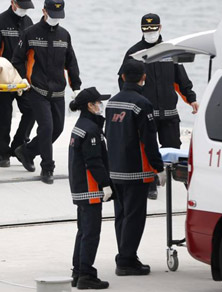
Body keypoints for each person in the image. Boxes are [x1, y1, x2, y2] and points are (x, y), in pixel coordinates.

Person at [118, 13, 198, 200]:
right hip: (146, 112)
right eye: (146, 29)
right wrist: (130, 103)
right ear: (141, 30)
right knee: (147, 148)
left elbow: (181, 79)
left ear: (160, 28)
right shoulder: (134, 54)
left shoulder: (169, 51)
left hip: (169, 111)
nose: (150, 32)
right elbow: (123, 81)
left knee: (173, 148)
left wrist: (191, 98)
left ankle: (182, 182)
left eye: (153, 29)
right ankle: (151, 182)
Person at [106, 59, 166, 276]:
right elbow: (149, 140)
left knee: (121, 215)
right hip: (136, 170)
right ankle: (126, 261)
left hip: (115, 169)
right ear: (143, 78)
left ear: (122, 77)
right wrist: (158, 168)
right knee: (135, 217)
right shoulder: (142, 104)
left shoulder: (112, 102)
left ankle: (126, 254)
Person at [12, 0, 81, 184]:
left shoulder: (64, 35)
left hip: (58, 92)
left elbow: (71, 63)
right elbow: (17, 60)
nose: (55, 19)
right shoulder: (30, 33)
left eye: (59, 16)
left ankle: (26, 151)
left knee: (57, 129)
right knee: (46, 128)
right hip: (37, 90)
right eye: (52, 15)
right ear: (44, 11)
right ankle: (47, 167)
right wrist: (23, 80)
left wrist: (76, 87)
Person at [68, 87, 111, 290]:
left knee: (83, 231)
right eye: (98, 103)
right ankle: (86, 274)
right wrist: (106, 184)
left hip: (79, 188)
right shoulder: (91, 130)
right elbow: (94, 161)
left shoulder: (81, 125)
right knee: (91, 233)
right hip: (91, 189)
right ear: (89, 105)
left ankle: (78, 272)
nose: (100, 106)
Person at [0, 0, 35, 167]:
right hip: (4, 77)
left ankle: (18, 145)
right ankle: (3, 153)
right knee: (4, 117)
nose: (24, 11)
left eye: (27, 8)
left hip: (23, 77)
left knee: (32, 110)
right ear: (13, 3)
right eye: (22, 7)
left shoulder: (28, 22)